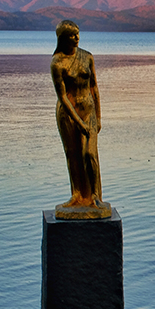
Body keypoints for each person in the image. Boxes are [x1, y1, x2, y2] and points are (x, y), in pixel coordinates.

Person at [51, 20, 104, 209]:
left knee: (89, 153)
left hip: (87, 110)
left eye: (78, 34)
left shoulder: (87, 57)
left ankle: (95, 195)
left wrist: (98, 116)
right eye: (72, 36)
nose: (76, 38)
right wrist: (78, 123)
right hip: (67, 114)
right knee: (72, 154)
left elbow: (94, 88)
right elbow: (63, 97)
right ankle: (77, 194)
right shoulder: (57, 63)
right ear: (63, 38)